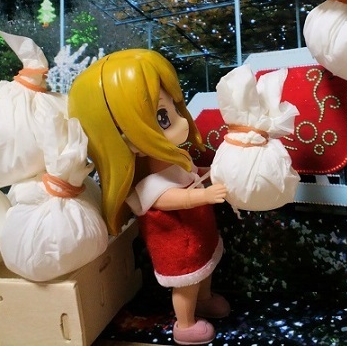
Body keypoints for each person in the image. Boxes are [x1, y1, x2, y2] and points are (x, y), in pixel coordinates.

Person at [69, 49, 230, 345]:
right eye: (163, 117)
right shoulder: (149, 185)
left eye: (174, 108)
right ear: (125, 139)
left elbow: (193, 173)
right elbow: (172, 198)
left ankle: (204, 300)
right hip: (179, 244)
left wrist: (216, 170)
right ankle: (185, 324)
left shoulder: (176, 160)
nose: (182, 121)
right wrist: (205, 195)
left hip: (199, 234)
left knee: (205, 271)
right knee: (187, 284)